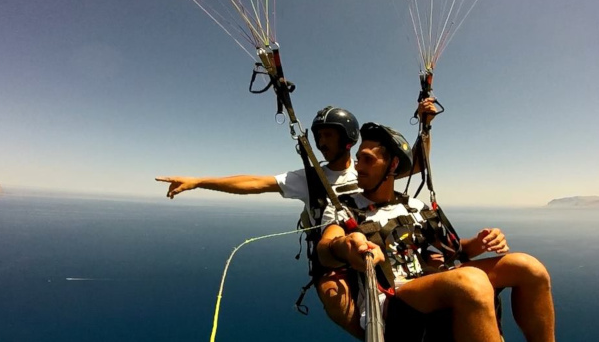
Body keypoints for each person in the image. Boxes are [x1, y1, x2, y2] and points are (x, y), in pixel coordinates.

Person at [156, 103, 436, 338]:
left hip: (376, 248)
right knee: (338, 301)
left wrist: (425, 126)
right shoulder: (309, 178)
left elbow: (415, 164)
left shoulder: (368, 170)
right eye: (319, 136)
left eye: (328, 135)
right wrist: (198, 181)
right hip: (335, 253)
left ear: (348, 139)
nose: (322, 143)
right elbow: (254, 182)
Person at [317, 122, 556, 342]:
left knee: (529, 268)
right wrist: (347, 246)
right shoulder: (344, 208)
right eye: (358, 159)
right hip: (392, 298)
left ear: (393, 165)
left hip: (431, 282)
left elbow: (456, 250)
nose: (358, 166)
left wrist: (481, 242)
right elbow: (326, 247)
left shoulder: (415, 207)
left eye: (368, 160)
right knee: (471, 282)